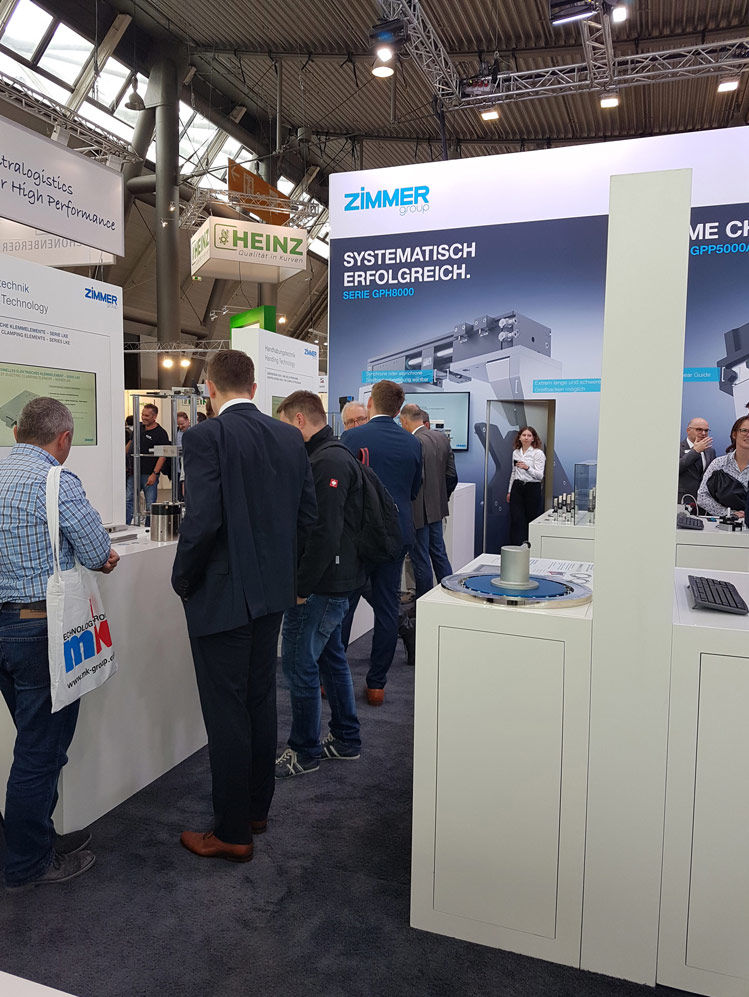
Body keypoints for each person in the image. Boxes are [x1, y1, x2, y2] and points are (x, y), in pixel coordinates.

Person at [172, 350, 316, 863]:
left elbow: (202, 520)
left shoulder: (204, 436)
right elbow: (307, 518)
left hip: (222, 595)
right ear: (254, 387)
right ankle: (255, 810)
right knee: (259, 700)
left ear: (210, 389)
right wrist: (291, 581)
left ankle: (233, 831)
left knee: (226, 711)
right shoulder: (289, 437)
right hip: (272, 594)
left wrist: (182, 578)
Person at [0, 397, 119, 890]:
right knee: (40, 750)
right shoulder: (56, 482)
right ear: (64, 439)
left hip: (5, 627)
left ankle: (35, 840)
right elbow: (97, 551)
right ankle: (26, 863)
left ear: (17, 433)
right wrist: (100, 555)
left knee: (35, 742)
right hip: (38, 629)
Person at [275, 390, 364, 778]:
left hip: (320, 585)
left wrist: (301, 587)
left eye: (284, 424)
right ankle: (345, 739)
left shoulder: (327, 459)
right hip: (331, 580)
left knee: (299, 664)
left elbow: (324, 533)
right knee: (330, 659)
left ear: (298, 420)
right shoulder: (327, 454)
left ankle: (304, 750)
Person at [340, 380, 422, 706]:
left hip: (357, 535)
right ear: (399, 409)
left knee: (344, 605)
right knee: (387, 607)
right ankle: (376, 685)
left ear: (371, 402)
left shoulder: (351, 438)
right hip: (396, 533)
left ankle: (331, 678)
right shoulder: (412, 443)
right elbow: (413, 489)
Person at [399, 403, 458, 598]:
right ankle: (449, 596)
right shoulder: (442, 438)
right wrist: (441, 497)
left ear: (404, 420)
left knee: (420, 559)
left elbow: (412, 479)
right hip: (437, 508)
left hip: (417, 511)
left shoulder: (412, 442)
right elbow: (452, 475)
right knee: (439, 554)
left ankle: (424, 603)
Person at [126, 403, 170, 525]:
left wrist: (154, 474)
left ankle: (149, 528)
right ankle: (126, 524)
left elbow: (163, 456)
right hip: (134, 472)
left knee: (150, 503)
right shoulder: (138, 428)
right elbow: (130, 445)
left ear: (154, 417)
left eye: (147, 415)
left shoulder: (161, 433)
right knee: (129, 499)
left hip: (149, 474)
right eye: (142, 415)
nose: (143, 417)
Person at [697, 415, 749, 517]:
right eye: (744, 430)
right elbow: (702, 496)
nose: (748, 435)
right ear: (734, 434)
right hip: (723, 524)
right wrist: (729, 513)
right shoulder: (719, 464)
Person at [506, 426, 546, 546]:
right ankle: (515, 547)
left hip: (532, 488)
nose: (526, 438)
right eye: (524, 435)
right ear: (519, 437)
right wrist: (509, 491)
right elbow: (513, 472)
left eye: (529, 435)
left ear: (533, 438)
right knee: (516, 519)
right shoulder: (515, 453)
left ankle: (529, 548)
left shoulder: (538, 453)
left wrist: (527, 468)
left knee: (530, 519)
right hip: (517, 487)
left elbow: (540, 476)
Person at [678, 417, 715, 505]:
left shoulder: (710, 451)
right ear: (688, 430)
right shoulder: (678, 448)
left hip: (704, 503)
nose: (703, 433)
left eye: (706, 430)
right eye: (699, 429)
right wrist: (695, 451)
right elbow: (676, 469)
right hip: (683, 501)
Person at [175, 411, 190, 501]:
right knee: (179, 495)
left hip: (187, 468)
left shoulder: (193, 432)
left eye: (182, 424)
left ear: (188, 421)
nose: (180, 427)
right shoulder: (176, 432)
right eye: (178, 424)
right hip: (178, 468)